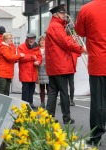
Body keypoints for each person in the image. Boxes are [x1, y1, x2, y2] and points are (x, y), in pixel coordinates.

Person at [45, 4, 84, 124]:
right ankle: (66, 118)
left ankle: (49, 118)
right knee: (63, 92)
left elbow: (63, 42)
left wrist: (72, 41)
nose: (65, 15)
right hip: (60, 65)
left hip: (55, 65)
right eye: (62, 13)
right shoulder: (56, 26)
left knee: (53, 91)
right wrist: (81, 48)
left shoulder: (54, 26)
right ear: (56, 14)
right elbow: (65, 43)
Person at [75, 0, 106, 146]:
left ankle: (96, 137)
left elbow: (80, 31)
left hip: (98, 63)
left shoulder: (87, 9)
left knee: (98, 102)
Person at [18, 33, 42, 109]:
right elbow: (21, 58)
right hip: (25, 71)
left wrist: (38, 61)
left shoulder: (36, 47)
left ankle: (30, 103)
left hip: (33, 71)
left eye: (33, 39)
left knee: (32, 89)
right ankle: (24, 104)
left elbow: (39, 56)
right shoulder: (21, 46)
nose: (31, 40)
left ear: (35, 39)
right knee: (25, 89)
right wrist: (32, 57)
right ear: (27, 39)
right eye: (30, 39)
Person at [37, 35, 49, 108]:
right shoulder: (37, 49)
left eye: (44, 40)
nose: (42, 42)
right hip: (40, 69)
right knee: (41, 87)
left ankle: (49, 103)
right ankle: (42, 102)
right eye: (41, 40)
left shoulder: (49, 49)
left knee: (49, 87)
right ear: (39, 42)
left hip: (47, 69)